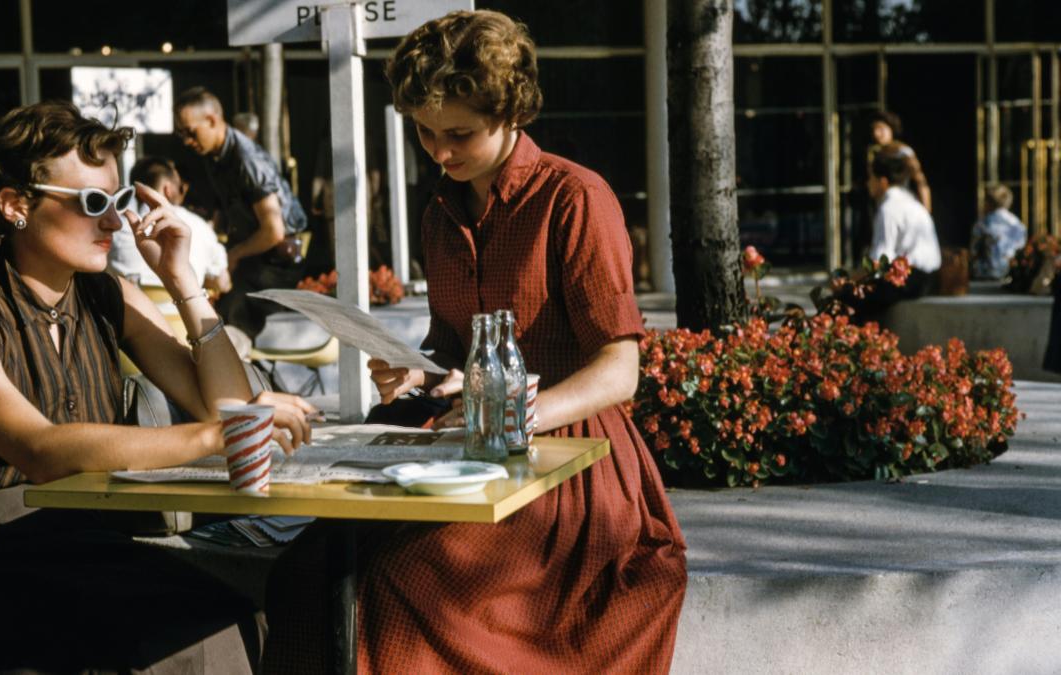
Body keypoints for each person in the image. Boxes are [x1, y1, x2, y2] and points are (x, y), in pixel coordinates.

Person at [263, 11, 687, 673]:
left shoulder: (574, 199)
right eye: (425, 133)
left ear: (510, 111)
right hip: (462, 448)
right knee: (305, 570)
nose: (439, 151)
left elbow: (620, 369)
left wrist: (518, 411)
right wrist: (415, 374)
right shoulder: (440, 212)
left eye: (458, 133)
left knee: (402, 578)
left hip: (569, 464)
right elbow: (452, 346)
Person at [0, 101, 317, 674]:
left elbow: (224, 405)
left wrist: (182, 283)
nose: (113, 222)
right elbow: (42, 450)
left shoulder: (106, 296)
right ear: (15, 206)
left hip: (74, 542)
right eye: (93, 203)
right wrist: (216, 434)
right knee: (171, 633)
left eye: (119, 200)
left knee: (223, 617)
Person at [174, 87, 307, 339]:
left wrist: (233, 255)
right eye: (180, 134)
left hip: (276, 263)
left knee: (224, 319)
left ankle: (235, 374)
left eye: (190, 132)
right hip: (252, 258)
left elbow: (273, 232)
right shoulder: (215, 155)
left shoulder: (247, 160)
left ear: (212, 120)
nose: (186, 142)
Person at [845, 146, 942, 324]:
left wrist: (848, 279)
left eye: (870, 179)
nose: (867, 184)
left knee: (846, 298)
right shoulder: (909, 199)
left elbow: (880, 261)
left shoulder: (888, 208)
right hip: (929, 276)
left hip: (911, 279)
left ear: (882, 181)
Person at [109, 155, 231, 295]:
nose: (183, 193)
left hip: (125, 313)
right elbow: (223, 283)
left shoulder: (115, 225)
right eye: (180, 188)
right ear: (168, 189)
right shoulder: (198, 226)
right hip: (184, 314)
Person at [871, 110, 932, 212]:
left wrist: (926, 213)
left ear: (891, 129)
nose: (877, 133)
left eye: (881, 128)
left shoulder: (903, 152)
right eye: (874, 129)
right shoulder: (876, 154)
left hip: (903, 205)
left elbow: (921, 183)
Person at [970, 183, 1027, 280]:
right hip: (1012, 273)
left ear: (989, 203)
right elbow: (1021, 246)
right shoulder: (1017, 224)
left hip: (986, 272)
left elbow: (974, 249)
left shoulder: (983, 223)